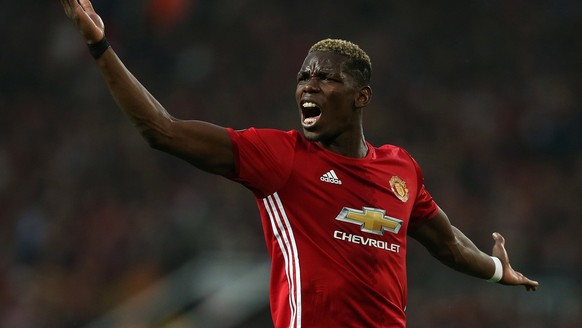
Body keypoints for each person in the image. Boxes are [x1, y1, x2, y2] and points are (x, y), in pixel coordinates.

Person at [60, 1, 539, 327]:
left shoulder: (401, 170)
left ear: (360, 97)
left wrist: (497, 270)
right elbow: (160, 130)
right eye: (303, 77)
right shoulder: (280, 158)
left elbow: (448, 242)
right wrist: (100, 46)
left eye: (325, 78)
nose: (308, 86)